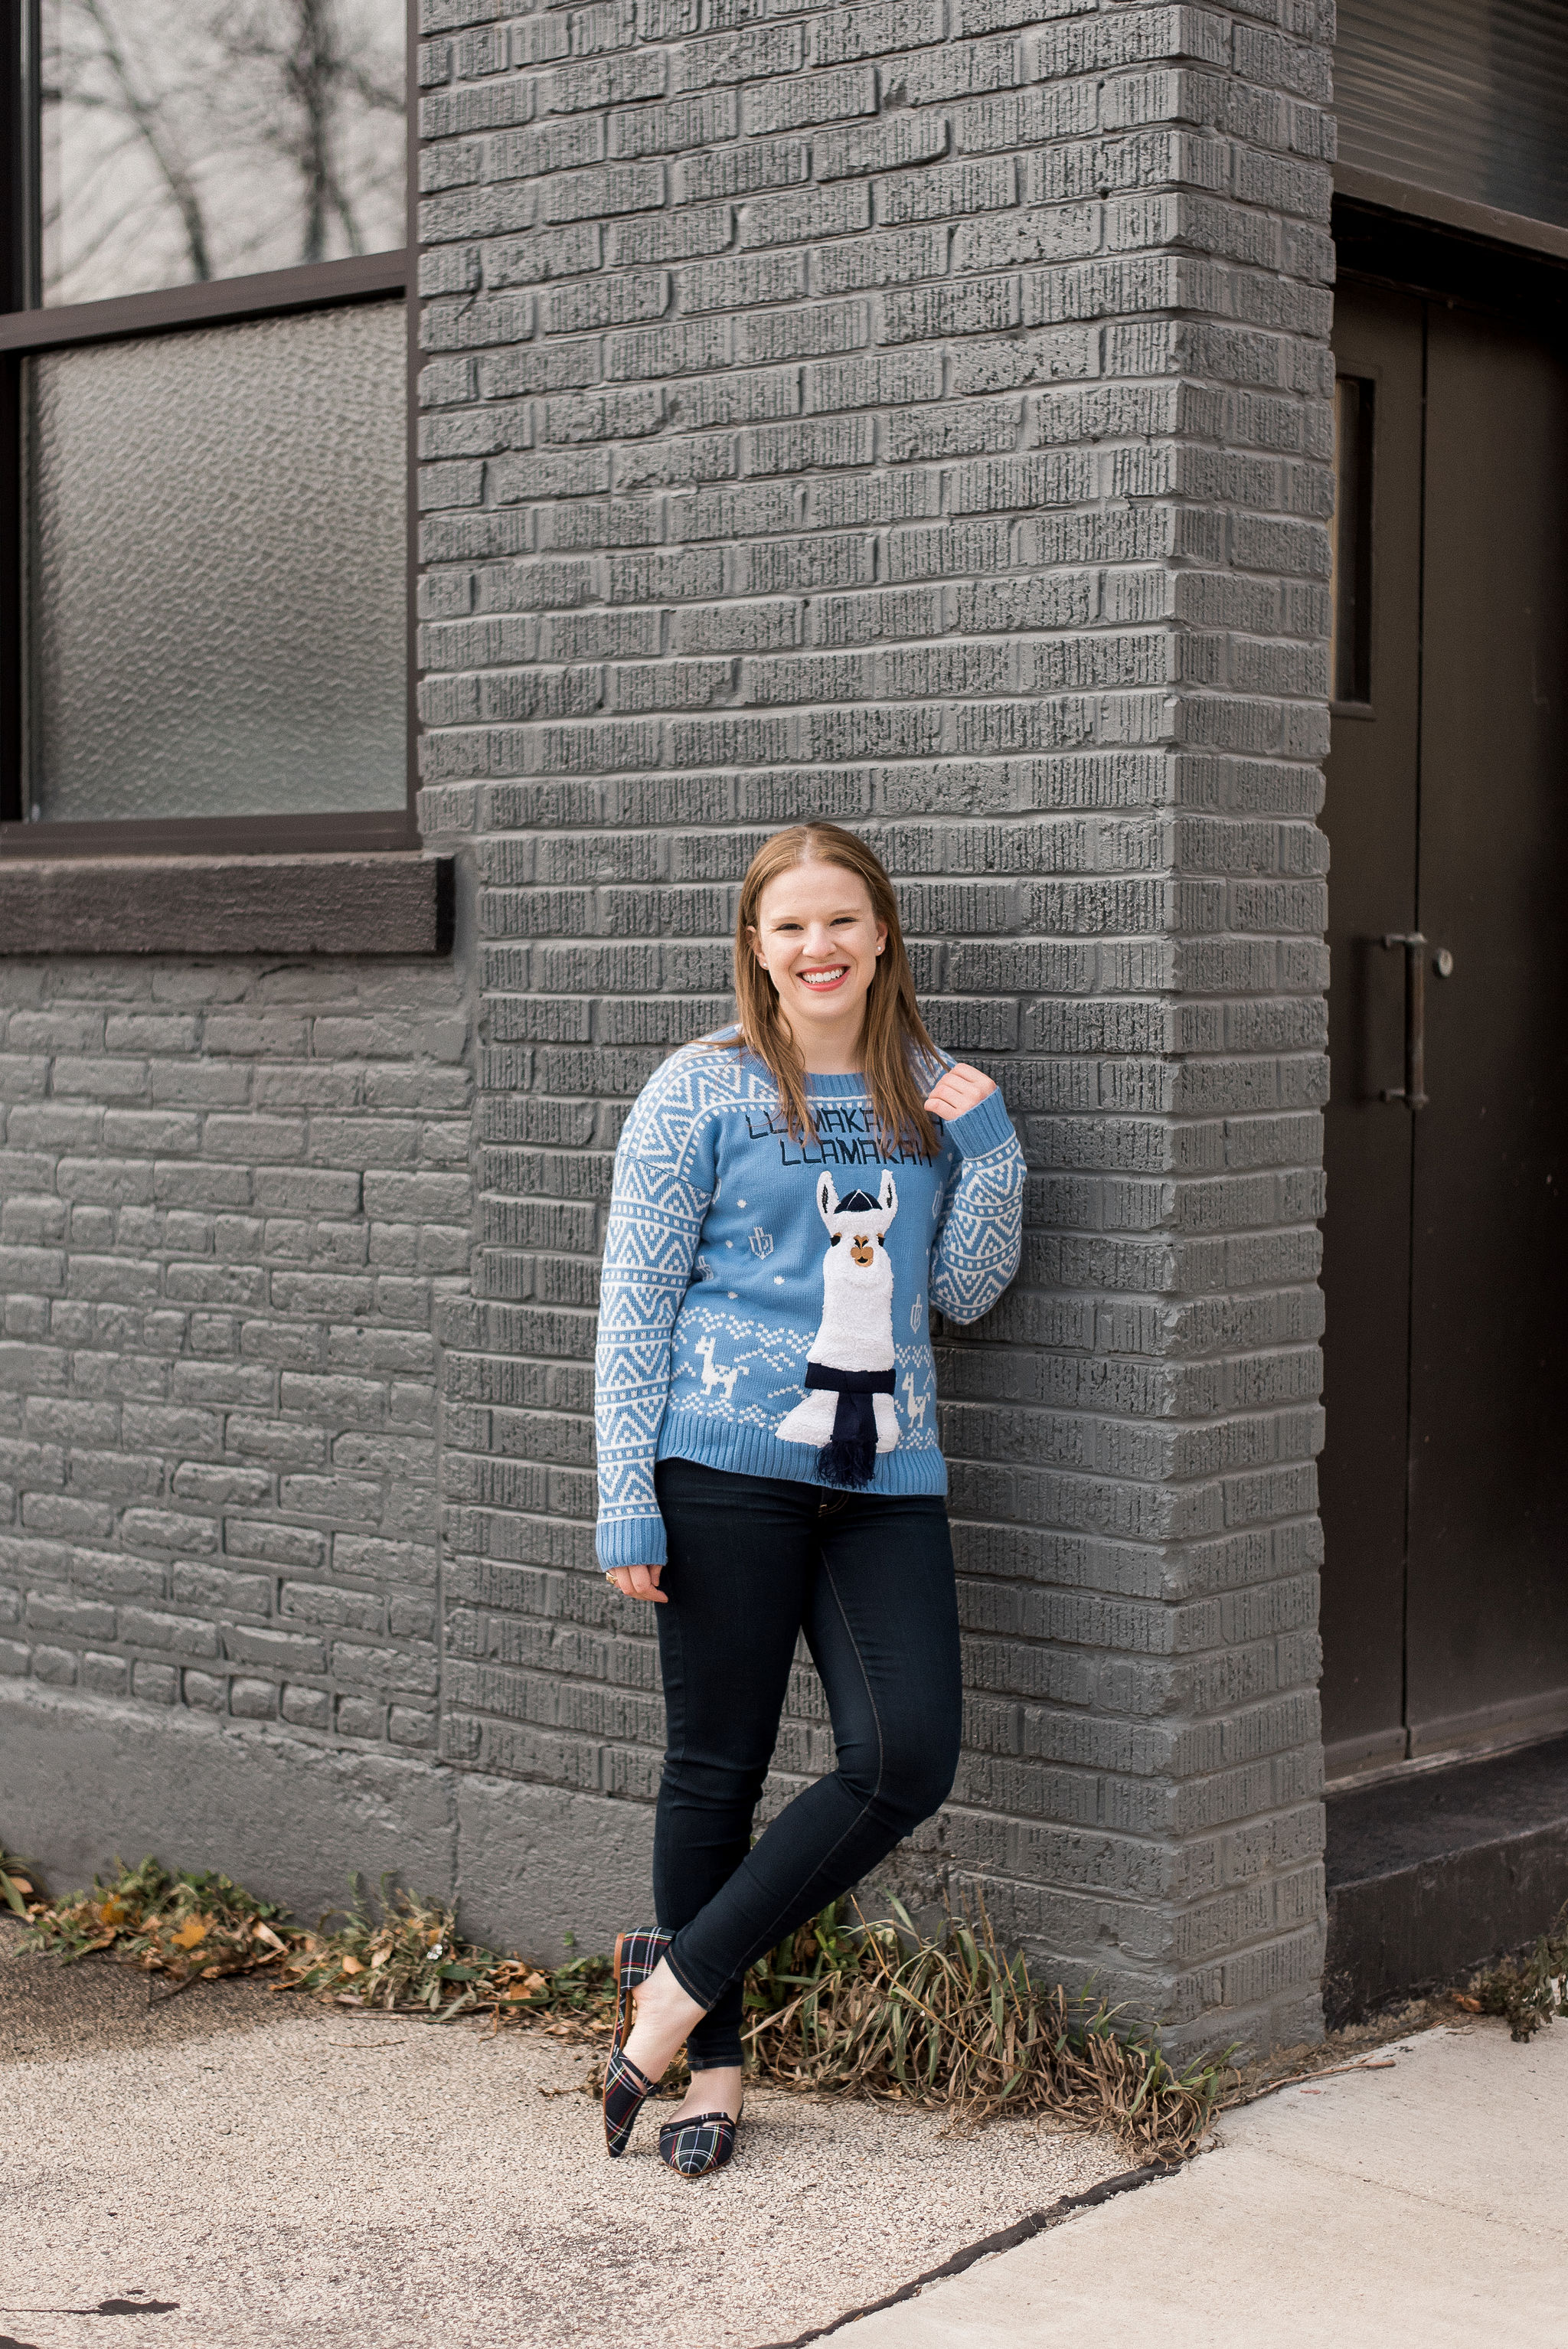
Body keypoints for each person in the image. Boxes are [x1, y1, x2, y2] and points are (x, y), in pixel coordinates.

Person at [593, 822, 1025, 2177]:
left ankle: (671, 1987)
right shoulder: (700, 1092)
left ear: (883, 934)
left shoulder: (932, 1098)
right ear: (756, 948)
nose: (818, 947)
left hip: (886, 1472)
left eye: (841, 921)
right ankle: (708, 2073)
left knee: (906, 1755)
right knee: (713, 1768)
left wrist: (995, 1153)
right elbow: (635, 1308)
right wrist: (626, 1496)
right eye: (789, 927)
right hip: (719, 1467)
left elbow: (960, 1292)